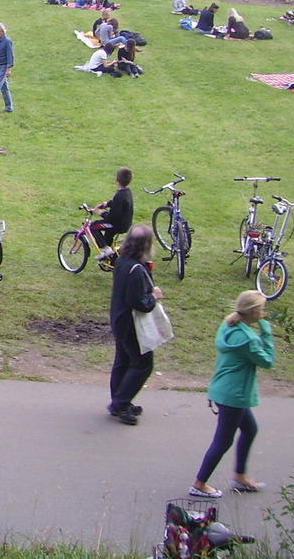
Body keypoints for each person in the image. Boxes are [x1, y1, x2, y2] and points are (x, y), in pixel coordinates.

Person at [189, 291, 274, 497]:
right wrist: (266, 332)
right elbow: (267, 361)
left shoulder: (227, 325)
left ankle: (240, 476)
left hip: (223, 389)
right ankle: (199, 484)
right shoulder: (248, 339)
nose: (263, 312)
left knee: (250, 429)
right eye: (261, 308)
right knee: (223, 441)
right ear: (254, 311)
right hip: (234, 396)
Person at [106, 224, 162, 426]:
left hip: (119, 319)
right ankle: (120, 403)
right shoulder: (136, 270)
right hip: (131, 324)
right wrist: (153, 297)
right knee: (143, 364)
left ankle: (119, 400)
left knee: (122, 361)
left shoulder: (122, 261)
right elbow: (139, 303)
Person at [92, 167, 133, 260]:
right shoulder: (127, 192)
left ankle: (106, 249)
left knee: (94, 226)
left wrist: (101, 213)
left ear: (116, 180)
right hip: (125, 224)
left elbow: (112, 217)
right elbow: (117, 204)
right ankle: (111, 258)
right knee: (108, 234)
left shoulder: (119, 195)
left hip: (116, 225)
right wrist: (106, 204)